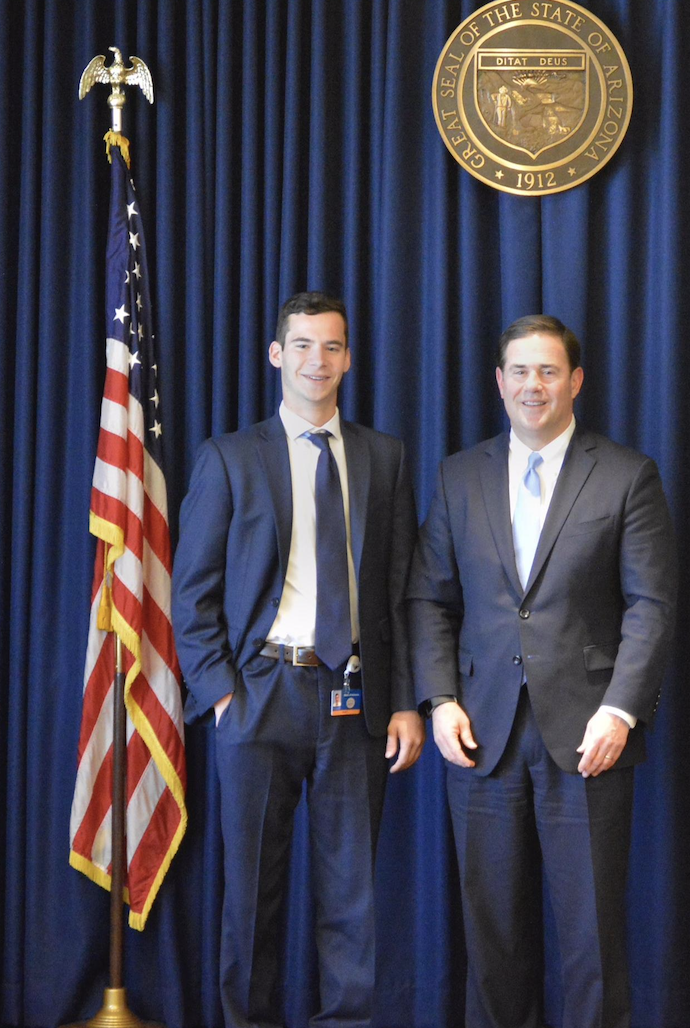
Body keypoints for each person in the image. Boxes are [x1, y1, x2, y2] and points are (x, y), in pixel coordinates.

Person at [408, 316, 677, 1028]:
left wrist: (620, 710)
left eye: (549, 371)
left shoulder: (627, 475)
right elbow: (429, 598)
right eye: (520, 372)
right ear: (499, 383)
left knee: (590, 940)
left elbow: (651, 606)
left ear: (576, 382)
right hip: (480, 738)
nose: (534, 386)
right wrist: (439, 699)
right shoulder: (458, 475)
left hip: (590, 739)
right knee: (493, 939)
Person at [172, 291, 424, 1028]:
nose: (319, 361)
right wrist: (222, 695)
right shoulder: (229, 457)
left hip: (356, 698)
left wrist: (405, 700)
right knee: (253, 892)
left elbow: (401, 592)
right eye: (304, 346)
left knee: (353, 896)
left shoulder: (385, 457)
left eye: (333, 347)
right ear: (278, 354)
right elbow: (193, 594)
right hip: (258, 696)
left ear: (349, 358)